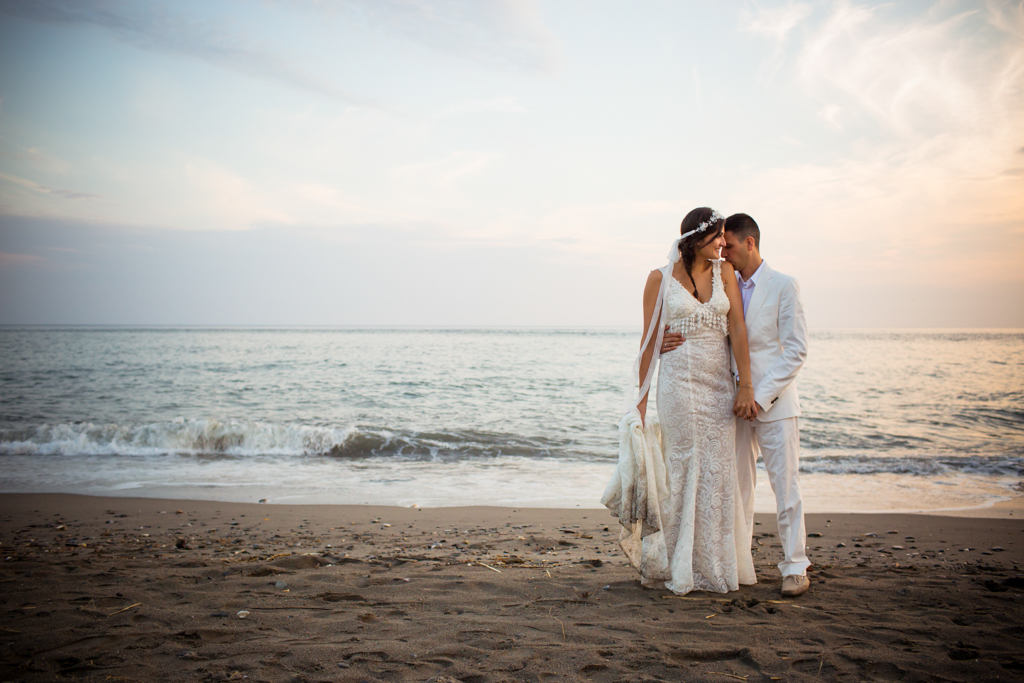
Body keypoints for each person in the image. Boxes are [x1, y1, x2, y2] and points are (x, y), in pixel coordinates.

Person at [603, 207, 757, 595]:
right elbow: (648, 338)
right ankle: (679, 563)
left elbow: (737, 328)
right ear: (697, 238)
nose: (724, 244)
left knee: (718, 471)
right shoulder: (659, 278)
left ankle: (715, 564)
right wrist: (639, 402)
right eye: (718, 236)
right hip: (678, 387)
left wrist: (746, 386)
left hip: (719, 387)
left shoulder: (725, 274)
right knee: (684, 467)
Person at [660, 212, 810, 597]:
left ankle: (795, 567)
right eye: (718, 244)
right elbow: (705, 329)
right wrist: (664, 344)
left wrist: (757, 395)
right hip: (727, 402)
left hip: (771, 404)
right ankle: (738, 561)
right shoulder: (719, 278)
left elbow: (795, 351)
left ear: (750, 243)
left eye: (727, 244)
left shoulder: (784, 285)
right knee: (737, 487)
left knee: (785, 488)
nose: (721, 250)